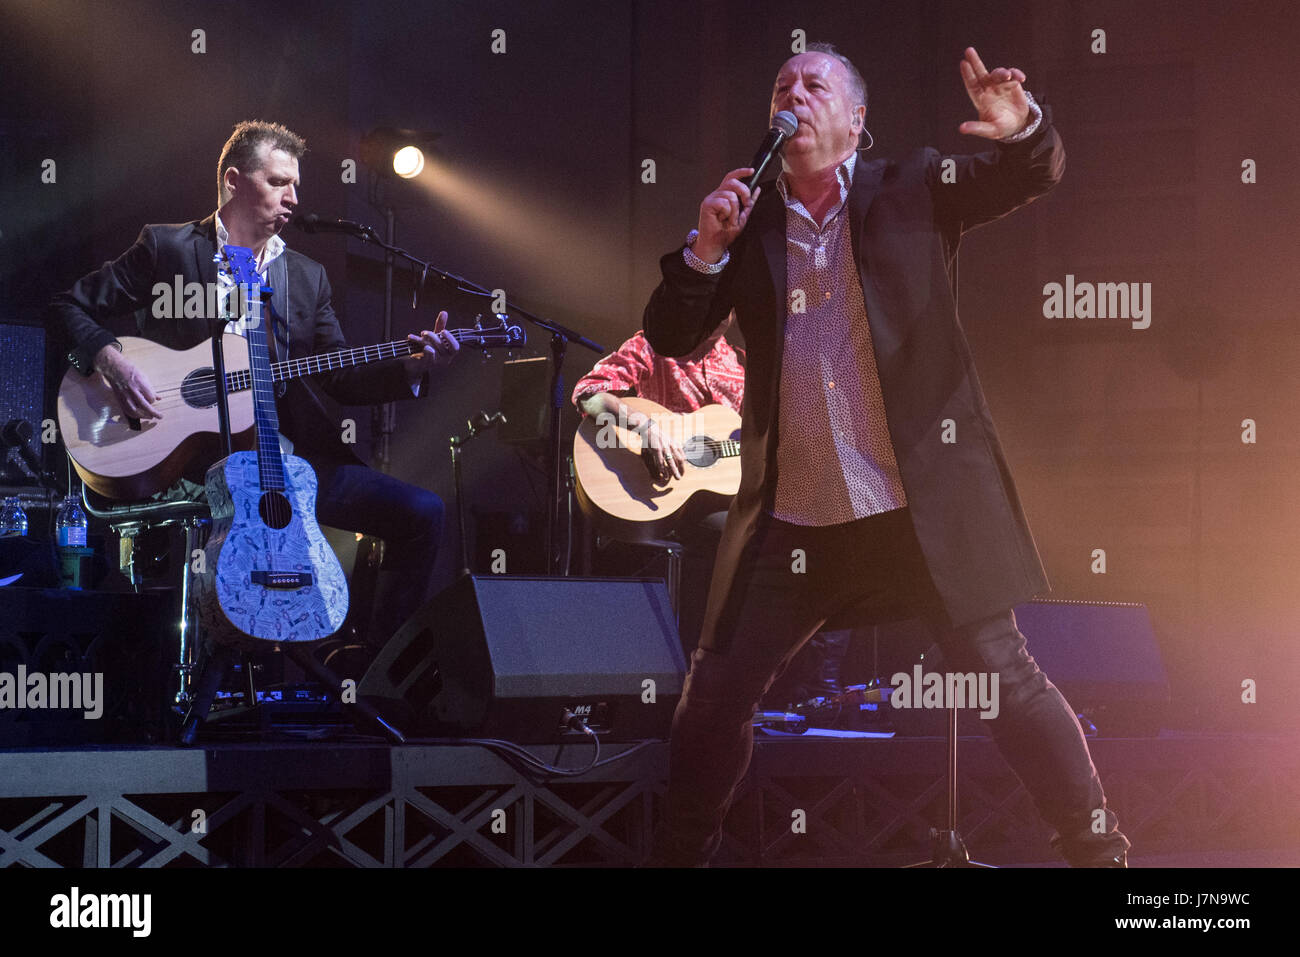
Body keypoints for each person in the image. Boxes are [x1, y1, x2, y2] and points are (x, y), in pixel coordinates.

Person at [642, 44, 1131, 866]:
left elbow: (1029, 175)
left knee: (1004, 680)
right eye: (781, 85)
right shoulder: (749, 217)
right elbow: (672, 336)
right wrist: (703, 251)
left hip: (916, 508)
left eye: (814, 84)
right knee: (715, 696)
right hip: (796, 518)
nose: (792, 95)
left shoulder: (913, 185)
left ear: (857, 120)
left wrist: (1025, 131)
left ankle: (1097, 847)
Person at [46, 120, 460, 648]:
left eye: (297, 187)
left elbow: (338, 373)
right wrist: (109, 359)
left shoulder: (306, 277)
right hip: (185, 458)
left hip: (285, 459)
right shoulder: (168, 249)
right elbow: (65, 306)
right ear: (234, 181)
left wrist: (413, 367)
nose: (292, 198)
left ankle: (372, 675)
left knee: (421, 512)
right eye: (278, 182)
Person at [571, 316, 853, 707]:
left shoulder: (741, 364)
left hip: (725, 496)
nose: (720, 315)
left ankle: (809, 693)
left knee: (819, 539)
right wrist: (644, 427)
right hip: (666, 499)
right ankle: (714, 688)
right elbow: (589, 392)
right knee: (753, 541)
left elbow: (750, 447)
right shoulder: (654, 346)